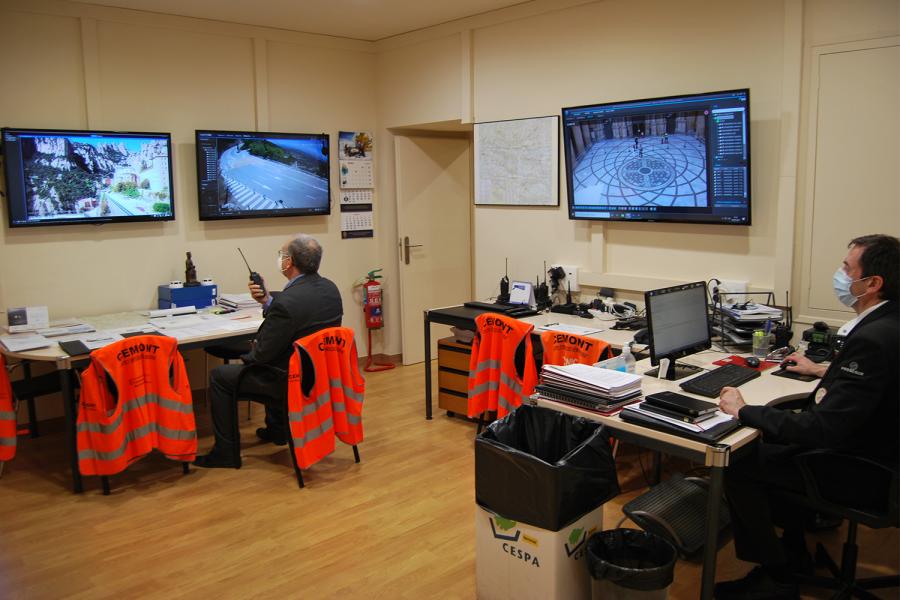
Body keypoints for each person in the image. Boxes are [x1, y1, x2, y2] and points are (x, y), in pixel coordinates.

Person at [715, 234, 899, 599]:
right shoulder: (890, 325)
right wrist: (823, 373)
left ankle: (776, 575)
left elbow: (822, 429)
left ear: (873, 284)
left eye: (848, 269)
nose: (841, 276)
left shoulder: (873, 340)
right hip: (884, 454)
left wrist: (744, 410)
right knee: (775, 447)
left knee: (740, 462)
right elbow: (874, 388)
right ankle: (794, 549)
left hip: (869, 473)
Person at [194, 234, 343, 468]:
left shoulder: (288, 301)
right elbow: (297, 323)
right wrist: (266, 301)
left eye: (282, 254)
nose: (280, 258)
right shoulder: (330, 289)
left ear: (289, 262)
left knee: (220, 377)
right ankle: (278, 430)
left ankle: (225, 453)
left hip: (289, 380)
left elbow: (262, 354)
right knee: (279, 355)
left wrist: (247, 355)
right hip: (318, 375)